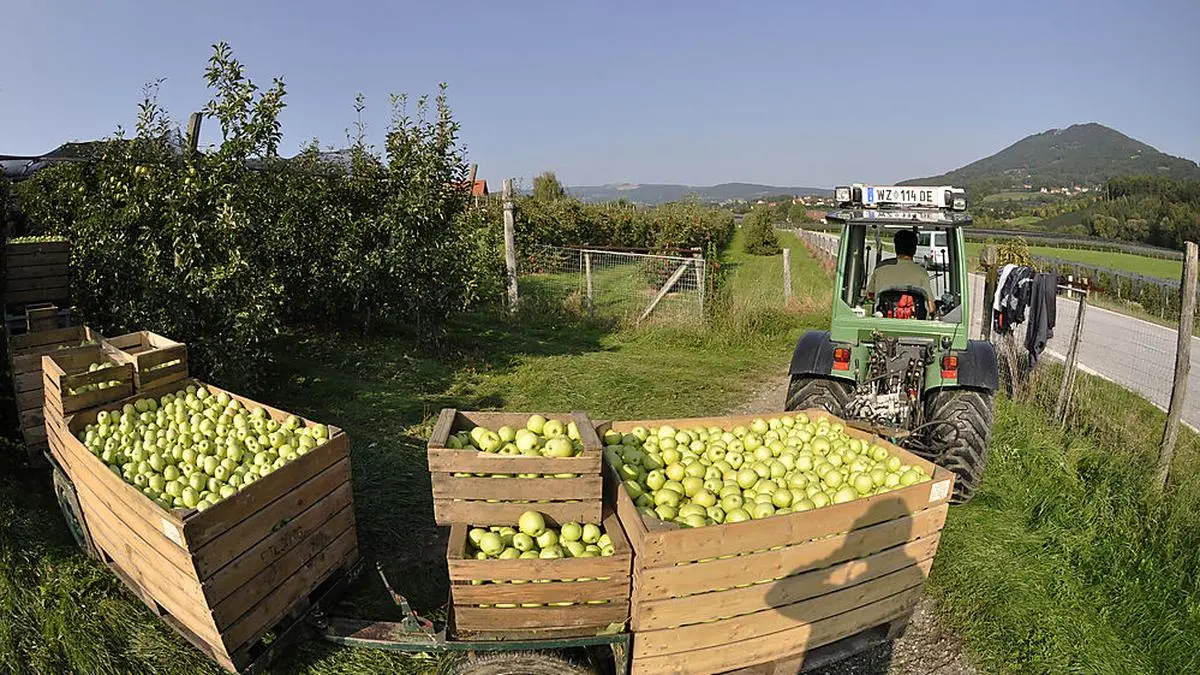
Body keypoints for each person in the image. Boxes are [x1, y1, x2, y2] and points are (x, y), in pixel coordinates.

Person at [865, 229, 935, 317]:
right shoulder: (922, 272)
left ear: (896, 247)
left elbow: (870, 295)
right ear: (915, 249)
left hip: (883, 324)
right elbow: (931, 307)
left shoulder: (881, 268)